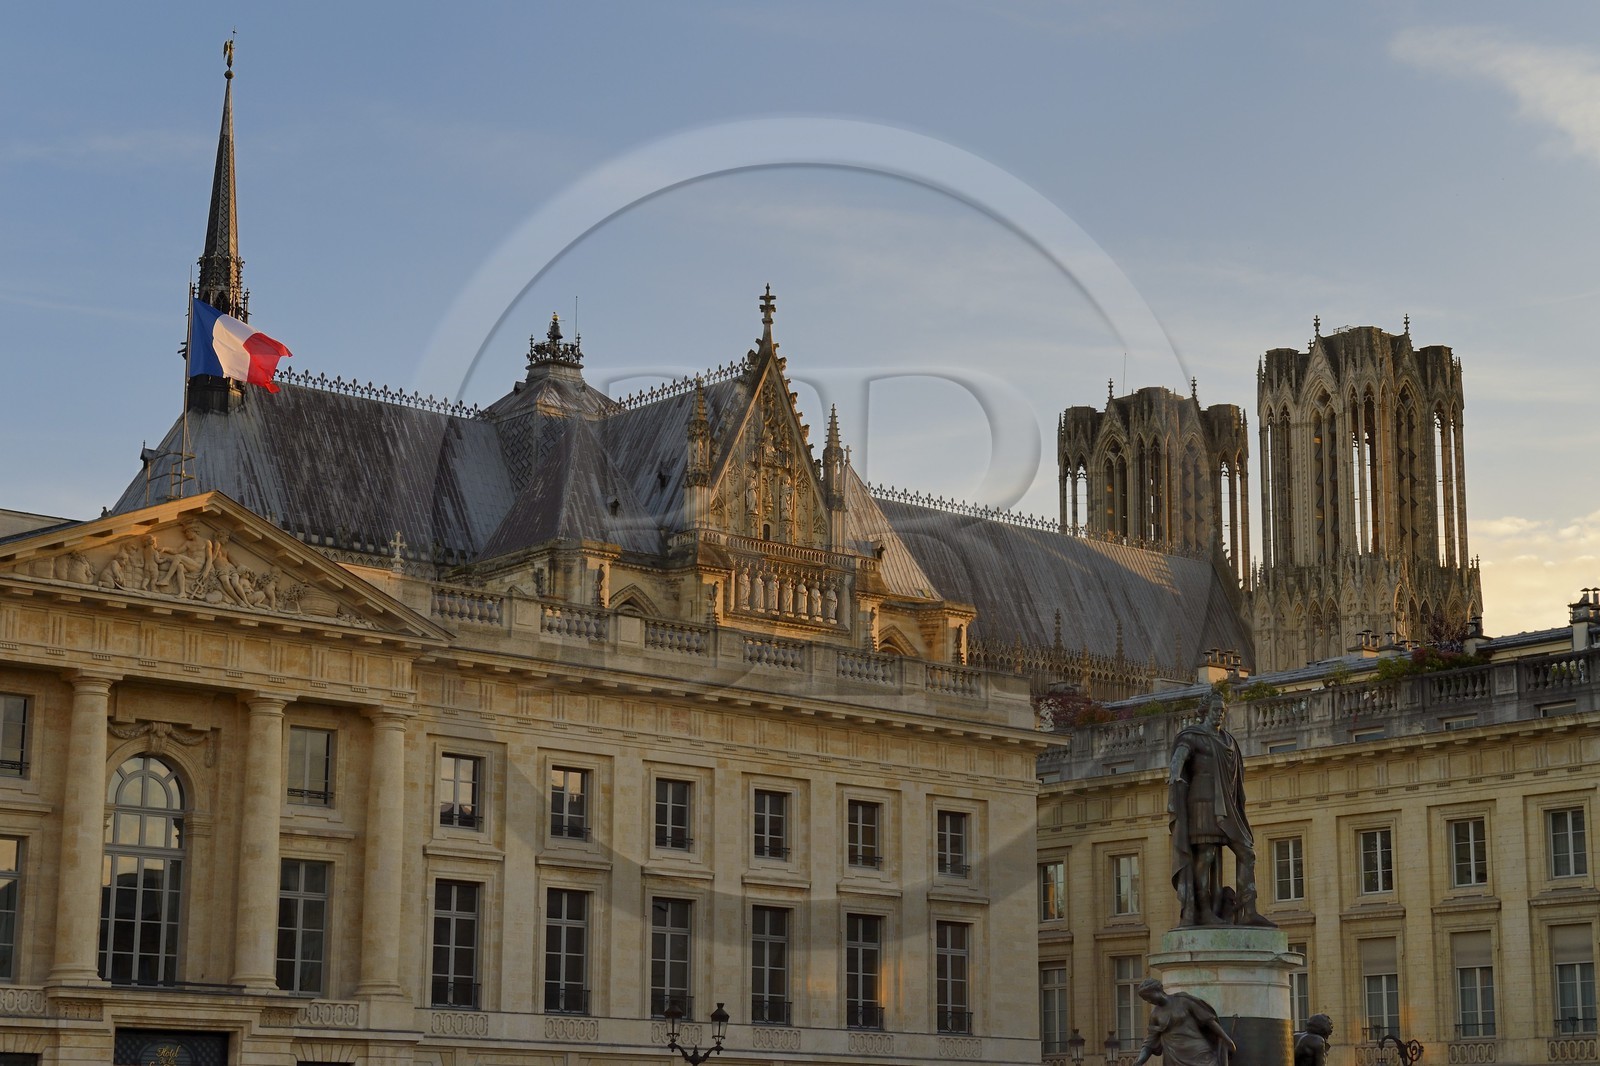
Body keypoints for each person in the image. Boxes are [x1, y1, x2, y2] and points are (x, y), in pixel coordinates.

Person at [1168, 691, 1275, 927]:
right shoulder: (1194, 736)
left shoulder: (1228, 740)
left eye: (1223, 711)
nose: (1220, 714)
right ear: (1205, 711)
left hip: (1227, 804)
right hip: (1203, 802)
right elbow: (1179, 757)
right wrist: (1175, 775)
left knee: (1247, 852)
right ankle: (1204, 911)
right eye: (1216, 710)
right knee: (1205, 855)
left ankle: (1248, 910)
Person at [1132, 978, 1237, 1066]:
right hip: (1174, 1056)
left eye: (1149, 997)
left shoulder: (1183, 1000)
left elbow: (1209, 1021)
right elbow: (1149, 1043)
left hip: (1199, 1051)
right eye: (1146, 999)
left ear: (1157, 990)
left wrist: (1227, 1040)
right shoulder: (1155, 1015)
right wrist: (1140, 1061)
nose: (1149, 1001)